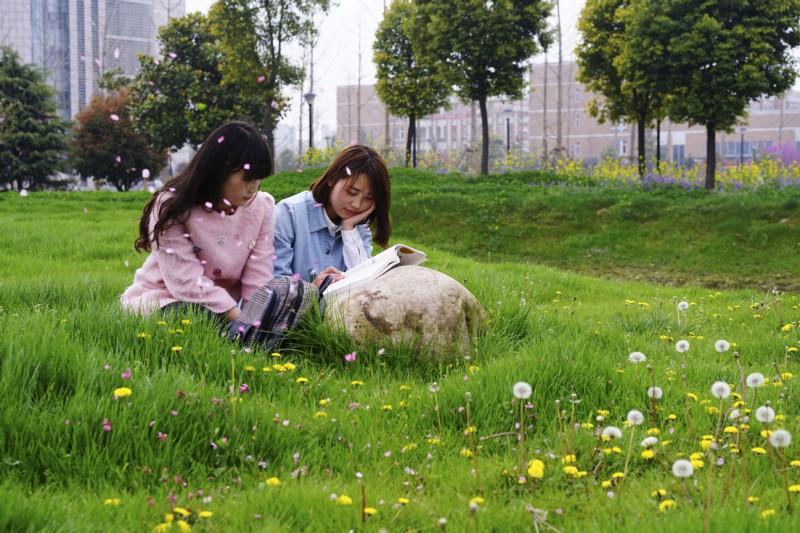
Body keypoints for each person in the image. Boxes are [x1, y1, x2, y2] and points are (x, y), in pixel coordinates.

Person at [121, 121, 276, 323]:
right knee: (195, 318)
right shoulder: (173, 206)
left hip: (226, 312)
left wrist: (255, 323)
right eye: (247, 178)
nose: (253, 188)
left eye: (259, 179)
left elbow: (259, 277)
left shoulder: (262, 207)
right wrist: (240, 323)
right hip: (165, 300)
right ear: (220, 169)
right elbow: (185, 282)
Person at [273, 145, 392, 284]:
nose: (357, 204)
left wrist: (349, 230)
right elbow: (274, 286)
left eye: (369, 198)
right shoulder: (288, 215)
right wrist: (312, 290)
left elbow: (364, 284)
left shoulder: (359, 226)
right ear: (332, 179)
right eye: (351, 192)